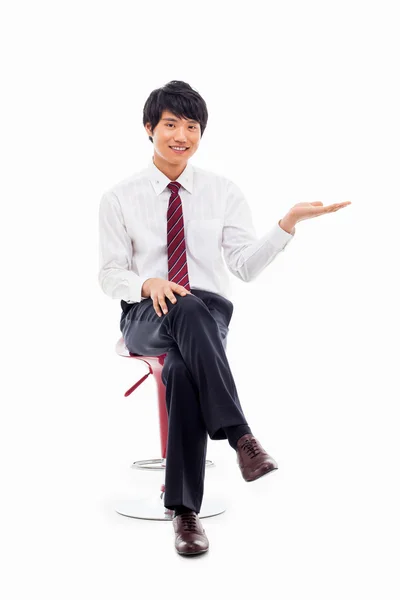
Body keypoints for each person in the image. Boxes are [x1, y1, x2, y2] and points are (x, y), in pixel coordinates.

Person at [98, 80, 351, 556]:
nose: (181, 135)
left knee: (181, 363)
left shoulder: (222, 191)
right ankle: (241, 438)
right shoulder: (119, 197)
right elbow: (110, 274)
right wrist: (145, 283)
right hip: (145, 312)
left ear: (201, 134)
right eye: (170, 124)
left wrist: (286, 225)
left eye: (192, 127)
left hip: (206, 317)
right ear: (149, 128)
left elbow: (244, 267)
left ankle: (185, 515)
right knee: (182, 304)